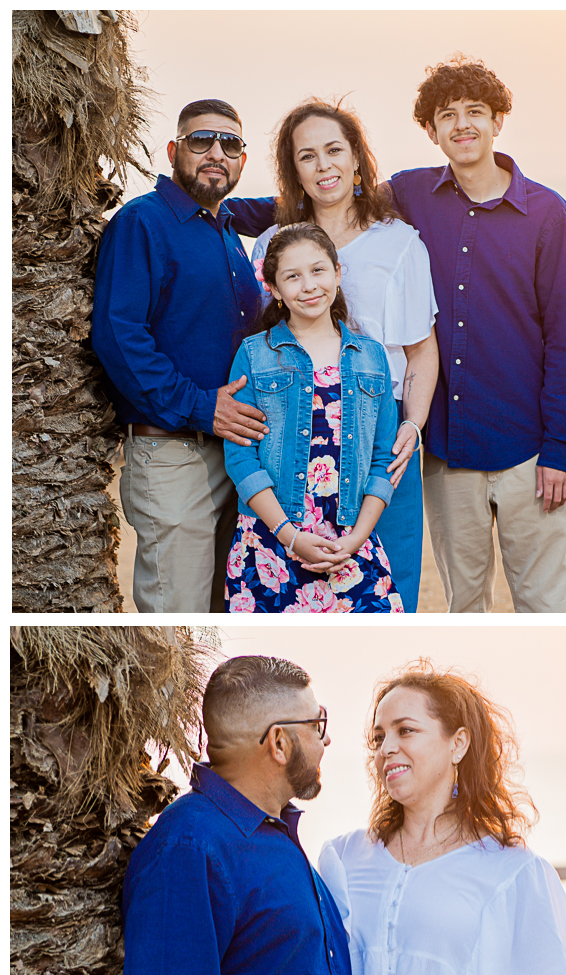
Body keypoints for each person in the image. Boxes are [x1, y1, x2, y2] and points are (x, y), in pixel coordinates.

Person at [387, 58, 566, 613]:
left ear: (498, 120)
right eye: (446, 115)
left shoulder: (549, 215)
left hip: (530, 451)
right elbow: (329, 198)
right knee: (466, 609)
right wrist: (226, 212)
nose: (461, 125)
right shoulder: (409, 196)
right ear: (430, 131)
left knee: (544, 608)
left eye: (474, 111)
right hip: (449, 453)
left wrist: (562, 451)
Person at [318, 660, 566, 975]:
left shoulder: (511, 872)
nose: (386, 747)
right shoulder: (343, 857)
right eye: (379, 737)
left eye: (405, 730)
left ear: (457, 743)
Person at [249, 99, 439, 613]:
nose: (323, 165)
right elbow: (261, 345)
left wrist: (413, 427)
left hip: (380, 436)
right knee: (285, 593)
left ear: (357, 159)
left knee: (387, 594)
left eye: (334, 150)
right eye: (307, 156)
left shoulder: (400, 244)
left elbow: (422, 351)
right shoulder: (268, 246)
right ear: (294, 170)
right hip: (286, 435)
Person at [120, 654, 354, 975]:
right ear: (279, 742)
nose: (326, 740)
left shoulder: (274, 837)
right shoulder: (189, 849)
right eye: (317, 725)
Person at [92, 99, 275, 613]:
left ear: (242, 160)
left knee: (225, 613)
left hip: (236, 455)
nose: (216, 152)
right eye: (201, 141)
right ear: (174, 150)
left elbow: (288, 204)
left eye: (231, 144)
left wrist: (354, 188)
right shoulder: (143, 223)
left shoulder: (226, 223)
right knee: (178, 620)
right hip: (175, 454)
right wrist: (201, 406)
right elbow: (118, 336)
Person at [223, 222, 404, 613]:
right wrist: (289, 536)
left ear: (338, 274)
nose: (309, 286)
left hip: (352, 545)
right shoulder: (254, 355)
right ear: (273, 288)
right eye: (292, 276)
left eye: (318, 270)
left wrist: (357, 540)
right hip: (270, 544)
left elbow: (382, 459)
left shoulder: (372, 357)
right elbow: (241, 458)